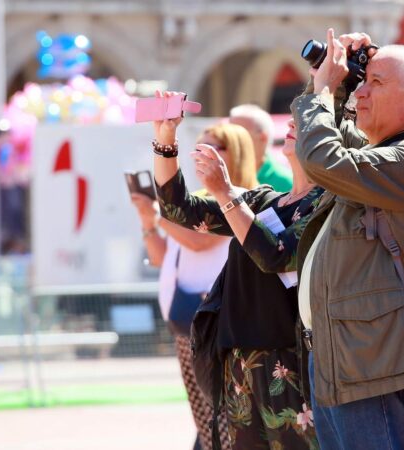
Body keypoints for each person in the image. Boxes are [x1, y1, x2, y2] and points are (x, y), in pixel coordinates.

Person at [291, 28, 404, 449]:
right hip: (338, 356)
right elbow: (337, 141)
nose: (363, 93)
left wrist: (321, 93)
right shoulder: (382, 157)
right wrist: (340, 85)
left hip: (368, 363)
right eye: (365, 82)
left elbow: (323, 159)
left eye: (376, 84)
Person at [151, 91, 321, 450]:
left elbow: (276, 254)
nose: (290, 125)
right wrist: (166, 141)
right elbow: (177, 210)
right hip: (238, 363)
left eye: (302, 123)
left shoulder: (325, 207)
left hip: (289, 364)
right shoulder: (262, 200)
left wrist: (226, 192)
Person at [131, 122, 260, 450]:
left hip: (217, 327)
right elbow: (163, 257)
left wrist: (159, 214)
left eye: (214, 146)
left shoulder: (242, 200)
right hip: (186, 326)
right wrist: (148, 223)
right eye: (199, 145)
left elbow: (197, 243)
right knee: (205, 421)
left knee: (227, 420)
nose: (203, 152)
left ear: (237, 153)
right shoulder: (191, 204)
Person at [229, 104, 293, 192]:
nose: (230, 140)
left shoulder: (286, 182)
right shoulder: (225, 174)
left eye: (239, 134)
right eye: (228, 134)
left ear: (263, 137)